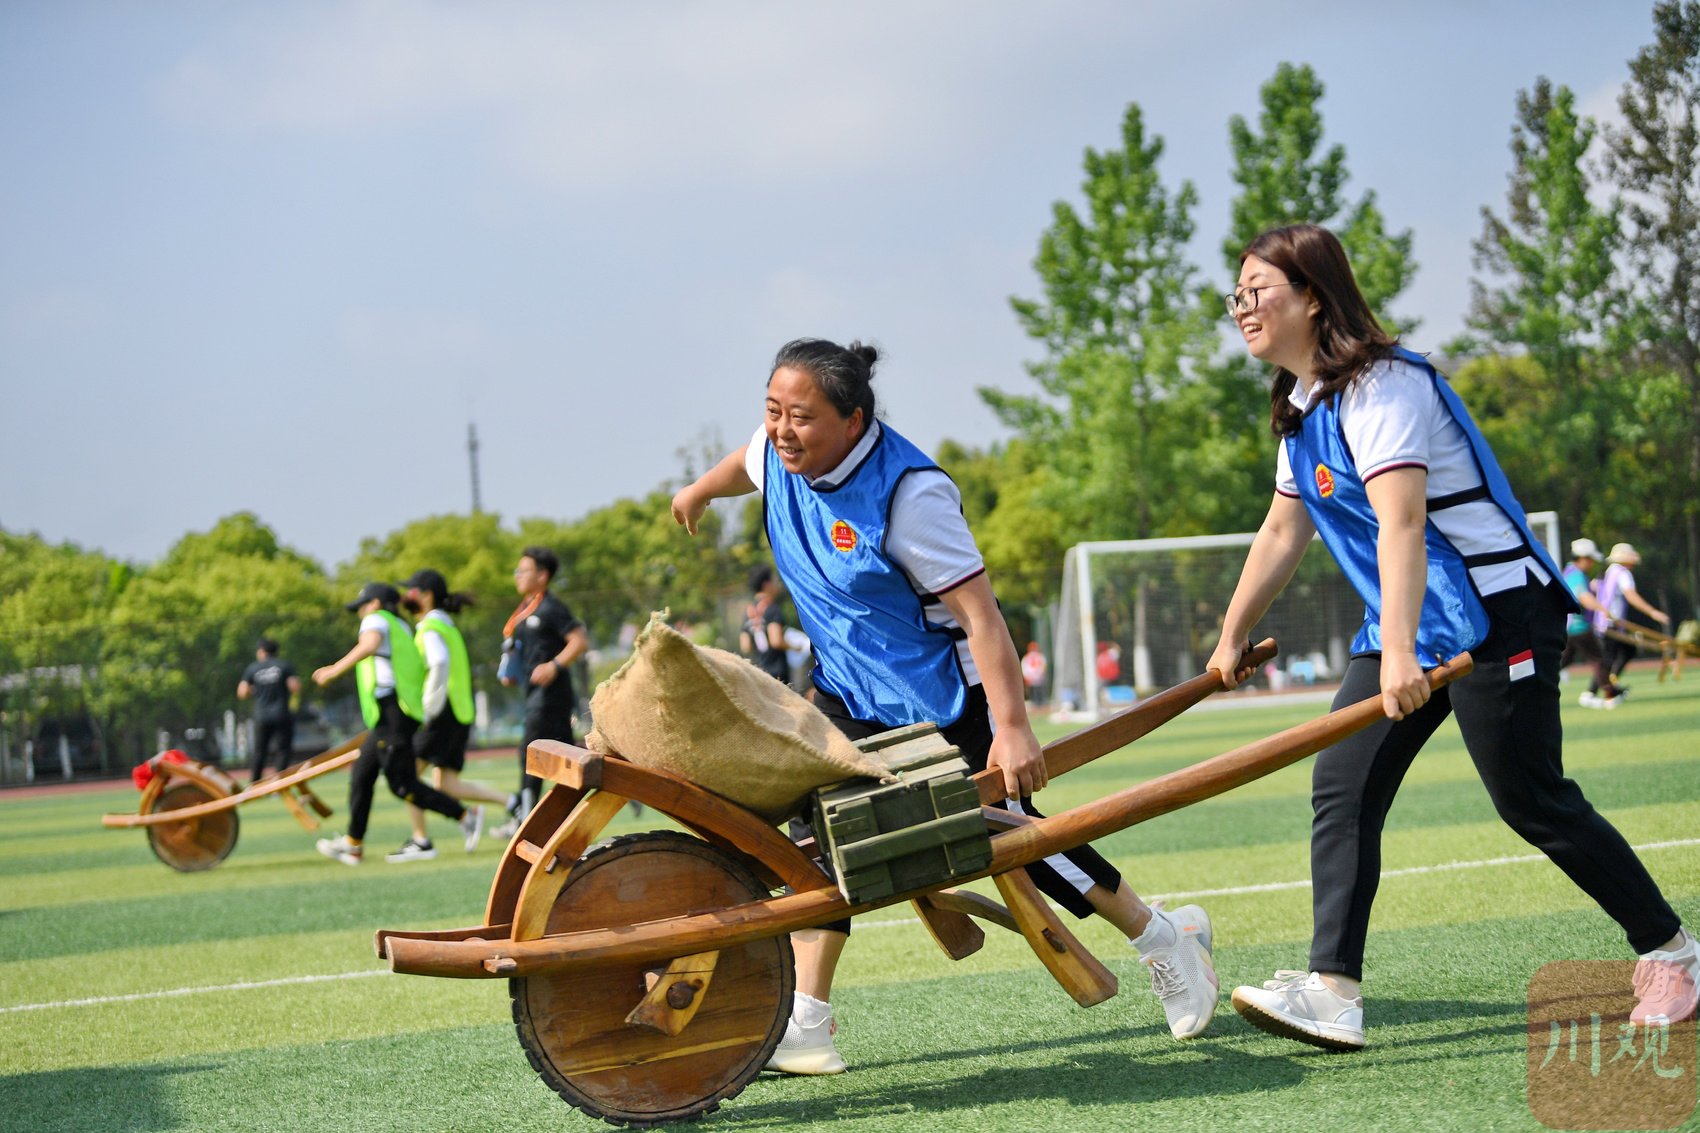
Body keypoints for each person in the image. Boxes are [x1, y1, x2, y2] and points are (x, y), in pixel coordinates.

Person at [1205, 223, 1695, 1051]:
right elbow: (1283, 531)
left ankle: (1674, 953)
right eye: (1237, 294)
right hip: (1410, 618)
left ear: (1314, 295)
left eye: (1259, 289)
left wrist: (1398, 653)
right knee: (1343, 785)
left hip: (1498, 613)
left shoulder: (1382, 385)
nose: (1243, 306)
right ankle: (1334, 991)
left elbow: (1401, 525)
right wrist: (1231, 636)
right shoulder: (1303, 404)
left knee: (1530, 797)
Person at [672, 337, 1220, 1076]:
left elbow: (984, 619)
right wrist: (700, 491)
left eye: (800, 416)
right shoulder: (777, 453)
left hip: (942, 698)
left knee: (1014, 835)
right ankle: (808, 1017)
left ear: (854, 420)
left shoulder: (910, 494)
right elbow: (748, 461)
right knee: (829, 836)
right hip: (845, 691)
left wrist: (1014, 728)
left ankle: (1162, 937)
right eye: (772, 410)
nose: (780, 429)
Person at [311, 583, 481, 866]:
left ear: (375, 603)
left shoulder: (376, 620)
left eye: (362, 606)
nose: (360, 614)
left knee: (402, 784)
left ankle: (465, 815)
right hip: (391, 714)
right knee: (363, 774)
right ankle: (354, 843)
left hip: (393, 712)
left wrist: (333, 670)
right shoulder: (401, 626)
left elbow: (370, 644)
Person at [387, 568, 520, 861]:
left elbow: (439, 662)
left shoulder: (430, 628)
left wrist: (428, 706)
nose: (406, 596)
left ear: (426, 595)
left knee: (407, 774)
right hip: (459, 711)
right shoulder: (446, 625)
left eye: (411, 591)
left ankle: (421, 840)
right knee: (446, 784)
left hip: (442, 712)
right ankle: (513, 802)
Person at [494, 547, 588, 838]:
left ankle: (524, 820)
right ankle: (616, 784)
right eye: (517, 570)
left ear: (542, 575)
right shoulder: (525, 611)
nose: (518, 576)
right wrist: (513, 673)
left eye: (524, 570)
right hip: (533, 694)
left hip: (551, 696)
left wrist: (554, 665)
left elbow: (579, 640)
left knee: (530, 751)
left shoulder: (551, 608)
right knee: (567, 756)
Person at [1588, 542, 1672, 708]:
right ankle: (1596, 692)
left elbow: (1593, 587)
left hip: (1602, 622)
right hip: (1611, 623)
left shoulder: (1607, 572)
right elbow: (1631, 596)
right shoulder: (1622, 573)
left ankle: (1607, 686)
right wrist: (1653, 612)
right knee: (1608, 658)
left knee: (1625, 650)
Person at [237, 638, 300, 782]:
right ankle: (279, 784)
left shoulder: (253, 668)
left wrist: (257, 690)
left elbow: (242, 692)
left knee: (260, 751)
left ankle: (255, 783)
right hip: (281, 714)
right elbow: (295, 687)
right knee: (283, 750)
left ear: (261, 651)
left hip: (262, 715)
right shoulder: (284, 665)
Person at [1559, 538, 1606, 685]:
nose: (1592, 564)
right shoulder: (1576, 574)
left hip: (1568, 626)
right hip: (1578, 626)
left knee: (1563, 661)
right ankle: (1608, 692)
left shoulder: (1568, 572)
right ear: (1583, 558)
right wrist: (1604, 611)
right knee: (1599, 658)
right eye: (1590, 560)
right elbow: (1584, 598)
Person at [740, 565, 792, 686]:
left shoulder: (748, 612)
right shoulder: (772, 608)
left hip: (759, 673)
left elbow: (745, 646)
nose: (778, 583)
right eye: (775, 580)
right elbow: (776, 641)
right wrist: (796, 647)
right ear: (766, 585)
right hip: (778, 673)